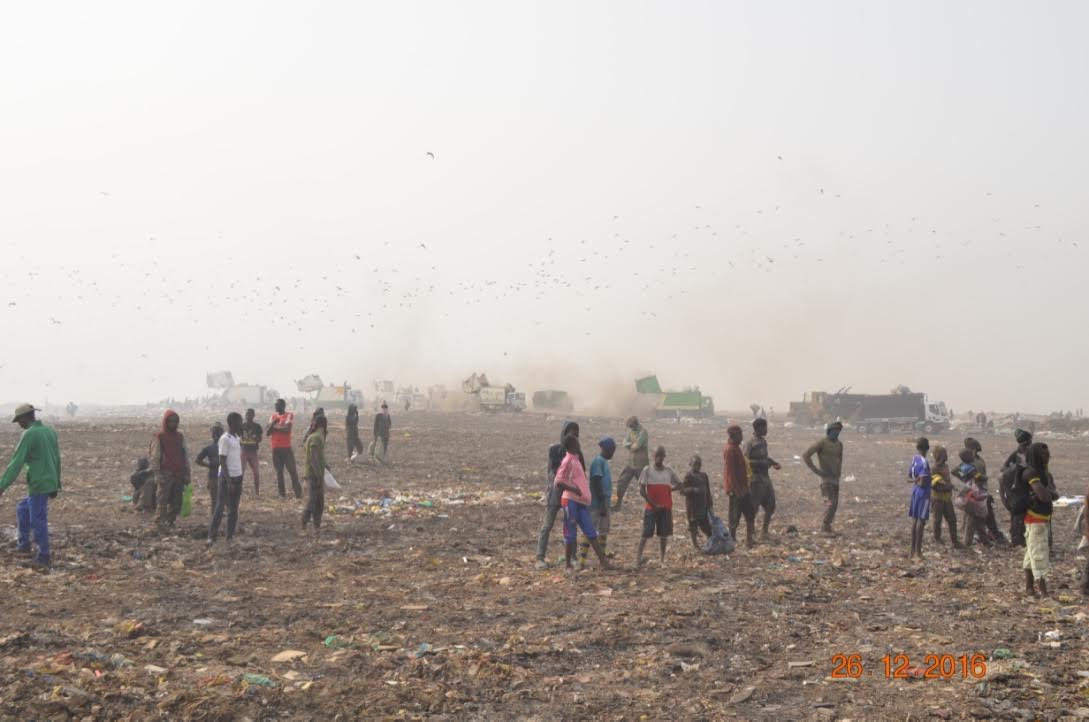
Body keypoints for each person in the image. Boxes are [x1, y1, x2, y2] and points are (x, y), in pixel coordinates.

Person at [0, 404, 61, 572]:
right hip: (49, 480)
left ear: (25, 418)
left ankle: (44, 556)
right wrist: (57, 482)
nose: (19, 424)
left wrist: (2, 486)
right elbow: (56, 457)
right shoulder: (49, 431)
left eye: (19, 421)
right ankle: (24, 545)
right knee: (22, 508)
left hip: (39, 483)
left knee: (37, 519)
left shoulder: (29, 434)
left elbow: (16, 463)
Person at [553, 435, 610, 572]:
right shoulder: (568, 460)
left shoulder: (575, 459)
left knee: (590, 532)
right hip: (570, 501)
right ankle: (568, 565)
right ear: (573, 444)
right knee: (570, 533)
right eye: (577, 441)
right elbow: (558, 481)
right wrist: (575, 489)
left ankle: (604, 562)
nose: (579, 443)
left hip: (580, 502)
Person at [536, 421, 582, 570]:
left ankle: (572, 558)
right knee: (547, 525)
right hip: (556, 493)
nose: (574, 435)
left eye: (576, 433)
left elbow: (581, 475)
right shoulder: (555, 450)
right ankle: (540, 558)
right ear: (564, 433)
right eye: (571, 432)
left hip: (570, 495)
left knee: (571, 525)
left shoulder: (578, 454)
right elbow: (553, 473)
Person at [634, 446, 682, 566]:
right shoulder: (647, 470)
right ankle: (637, 559)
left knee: (663, 535)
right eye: (657, 455)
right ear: (653, 456)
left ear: (664, 457)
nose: (659, 458)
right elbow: (642, 490)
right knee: (645, 534)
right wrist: (653, 504)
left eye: (661, 456)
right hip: (651, 508)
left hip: (665, 508)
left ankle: (662, 560)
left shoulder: (668, 471)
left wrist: (669, 491)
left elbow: (679, 484)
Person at [1021, 442, 1058, 597]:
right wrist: (1048, 493)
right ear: (1036, 456)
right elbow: (1045, 496)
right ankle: (1043, 592)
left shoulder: (1042, 473)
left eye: (1048, 455)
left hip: (1039, 520)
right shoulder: (1031, 473)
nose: (1047, 458)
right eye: (1044, 456)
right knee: (1039, 555)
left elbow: (1052, 494)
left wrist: (1048, 493)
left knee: (1031, 555)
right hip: (1035, 520)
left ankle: (1029, 588)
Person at [149, 409, 190, 530]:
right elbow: (155, 457)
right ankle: (159, 524)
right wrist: (157, 474)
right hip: (165, 473)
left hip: (178, 473)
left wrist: (187, 473)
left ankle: (170, 521)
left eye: (175, 421)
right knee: (162, 500)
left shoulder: (179, 436)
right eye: (171, 421)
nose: (173, 424)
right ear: (166, 422)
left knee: (177, 501)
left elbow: (184, 455)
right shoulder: (159, 437)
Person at [208, 412, 244, 546]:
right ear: (233, 423)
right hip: (226, 478)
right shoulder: (225, 439)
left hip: (237, 476)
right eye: (240, 422)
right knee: (219, 507)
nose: (242, 424)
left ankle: (230, 537)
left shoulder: (236, 437)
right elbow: (222, 461)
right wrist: (229, 481)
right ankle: (211, 536)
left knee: (233, 509)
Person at [579, 437, 615, 567]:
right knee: (590, 530)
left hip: (602, 501)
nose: (613, 453)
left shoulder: (603, 462)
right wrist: (601, 504)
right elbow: (596, 482)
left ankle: (602, 559)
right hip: (597, 503)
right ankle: (581, 560)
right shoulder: (598, 462)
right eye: (612, 450)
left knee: (603, 530)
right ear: (607, 449)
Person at [803, 421, 844, 535]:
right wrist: (816, 470)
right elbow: (806, 455)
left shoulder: (839, 444)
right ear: (829, 431)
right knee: (829, 503)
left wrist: (838, 472)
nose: (836, 433)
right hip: (825, 480)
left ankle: (827, 526)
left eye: (838, 431)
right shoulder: (822, 443)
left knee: (834, 505)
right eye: (834, 431)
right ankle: (824, 526)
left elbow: (840, 459)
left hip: (835, 479)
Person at [744, 418, 781, 540]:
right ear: (758, 428)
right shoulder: (750, 443)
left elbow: (765, 457)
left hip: (765, 478)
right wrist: (761, 463)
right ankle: (751, 532)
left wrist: (773, 462)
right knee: (754, 507)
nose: (766, 430)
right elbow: (746, 461)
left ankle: (764, 531)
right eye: (765, 427)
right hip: (756, 479)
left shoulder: (763, 442)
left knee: (771, 505)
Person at [966, 437, 1006, 545]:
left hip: (976, 492)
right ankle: (992, 538)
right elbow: (979, 481)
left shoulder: (973, 461)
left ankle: (983, 538)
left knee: (979, 518)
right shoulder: (976, 462)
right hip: (978, 493)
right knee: (983, 518)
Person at [724, 424, 756, 548]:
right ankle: (732, 541)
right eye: (740, 434)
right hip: (736, 489)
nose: (742, 436)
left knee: (749, 514)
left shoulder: (736, 447)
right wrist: (738, 490)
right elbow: (731, 473)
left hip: (742, 487)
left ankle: (749, 540)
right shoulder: (730, 450)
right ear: (734, 435)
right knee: (734, 517)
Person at [1000, 429, 1033, 547]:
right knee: (1018, 514)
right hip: (1017, 490)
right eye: (1027, 443)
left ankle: (1019, 538)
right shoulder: (1018, 454)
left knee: (1019, 514)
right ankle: (1017, 540)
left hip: (1022, 488)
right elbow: (1003, 469)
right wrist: (1015, 472)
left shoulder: (1027, 453)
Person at [267, 399, 302, 499]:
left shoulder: (289, 415)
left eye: (277, 405)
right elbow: (268, 432)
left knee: (292, 471)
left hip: (286, 448)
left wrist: (274, 426)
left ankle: (298, 494)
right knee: (279, 473)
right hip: (275, 448)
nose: (276, 407)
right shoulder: (273, 416)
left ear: (283, 405)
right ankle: (282, 494)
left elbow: (287, 429)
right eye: (275, 405)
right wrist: (274, 424)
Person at [613, 416, 649, 510]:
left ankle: (650, 505)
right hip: (631, 463)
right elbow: (625, 442)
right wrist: (630, 445)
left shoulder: (643, 432)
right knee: (622, 482)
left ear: (635, 424)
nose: (630, 428)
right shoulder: (632, 432)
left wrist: (629, 445)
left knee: (644, 487)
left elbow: (635, 447)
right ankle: (618, 504)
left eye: (631, 426)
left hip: (641, 465)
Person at [930, 445, 961, 549]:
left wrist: (950, 487)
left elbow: (946, 481)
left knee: (952, 519)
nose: (945, 456)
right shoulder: (934, 468)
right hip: (937, 498)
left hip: (947, 498)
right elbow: (934, 486)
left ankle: (955, 541)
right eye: (943, 454)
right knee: (937, 520)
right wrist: (948, 487)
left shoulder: (945, 466)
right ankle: (937, 539)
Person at [302, 414, 328, 535]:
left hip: (315, 473)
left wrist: (325, 465)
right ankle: (304, 523)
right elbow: (313, 458)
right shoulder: (317, 437)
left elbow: (318, 456)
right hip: (314, 474)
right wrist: (318, 474)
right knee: (313, 502)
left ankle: (315, 526)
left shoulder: (315, 436)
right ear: (323, 425)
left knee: (318, 502)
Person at [680, 454, 713, 549]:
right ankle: (695, 545)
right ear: (690, 464)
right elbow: (682, 491)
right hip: (693, 507)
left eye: (699, 464)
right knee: (693, 526)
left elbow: (708, 490)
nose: (697, 466)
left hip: (703, 505)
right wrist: (693, 490)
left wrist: (710, 503)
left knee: (706, 526)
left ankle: (709, 542)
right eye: (695, 464)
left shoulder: (704, 476)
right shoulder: (688, 476)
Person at [907, 437, 931, 560]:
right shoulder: (924, 462)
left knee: (915, 520)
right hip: (923, 494)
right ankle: (918, 552)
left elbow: (908, 478)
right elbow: (922, 482)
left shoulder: (915, 459)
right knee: (921, 522)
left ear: (917, 447)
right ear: (927, 448)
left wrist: (915, 481)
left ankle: (911, 550)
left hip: (915, 492)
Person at [195, 422, 224, 511]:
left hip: (224, 476)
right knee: (214, 498)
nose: (215, 434)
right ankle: (215, 516)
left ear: (221, 433)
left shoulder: (224, 446)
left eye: (218, 432)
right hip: (213, 476)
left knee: (223, 497)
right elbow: (198, 460)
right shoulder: (209, 448)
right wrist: (209, 465)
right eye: (214, 432)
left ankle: (219, 514)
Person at [240, 408, 263, 495]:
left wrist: (256, 439)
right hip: (244, 451)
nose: (247, 416)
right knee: (241, 472)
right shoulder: (241, 426)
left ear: (253, 416)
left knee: (256, 473)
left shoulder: (257, 427)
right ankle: (239, 490)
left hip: (253, 452)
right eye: (246, 414)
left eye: (249, 414)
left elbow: (260, 438)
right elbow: (238, 437)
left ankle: (257, 491)